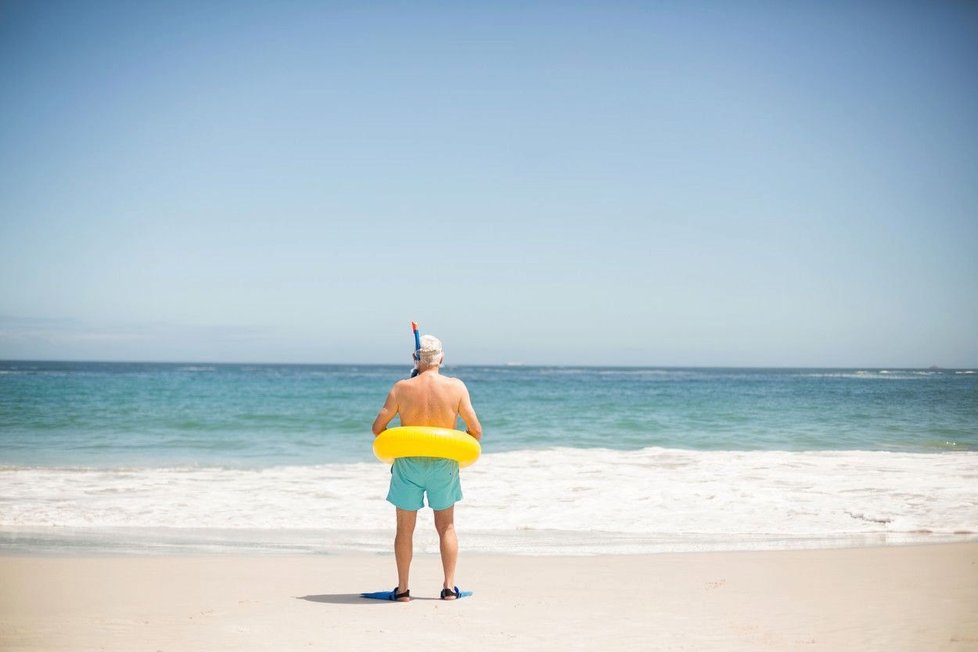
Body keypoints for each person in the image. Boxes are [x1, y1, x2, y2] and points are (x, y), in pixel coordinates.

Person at [371, 334, 482, 602]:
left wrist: (403, 438)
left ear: (415, 359)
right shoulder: (456, 388)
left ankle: (403, 589)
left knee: (404, 529)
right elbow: (476, 431)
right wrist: (454, 444)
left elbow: (377, 429)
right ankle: (448, 588)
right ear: (441, 358)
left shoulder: (401, 388)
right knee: (446, 528)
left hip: (409, 463)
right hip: (443, 463)